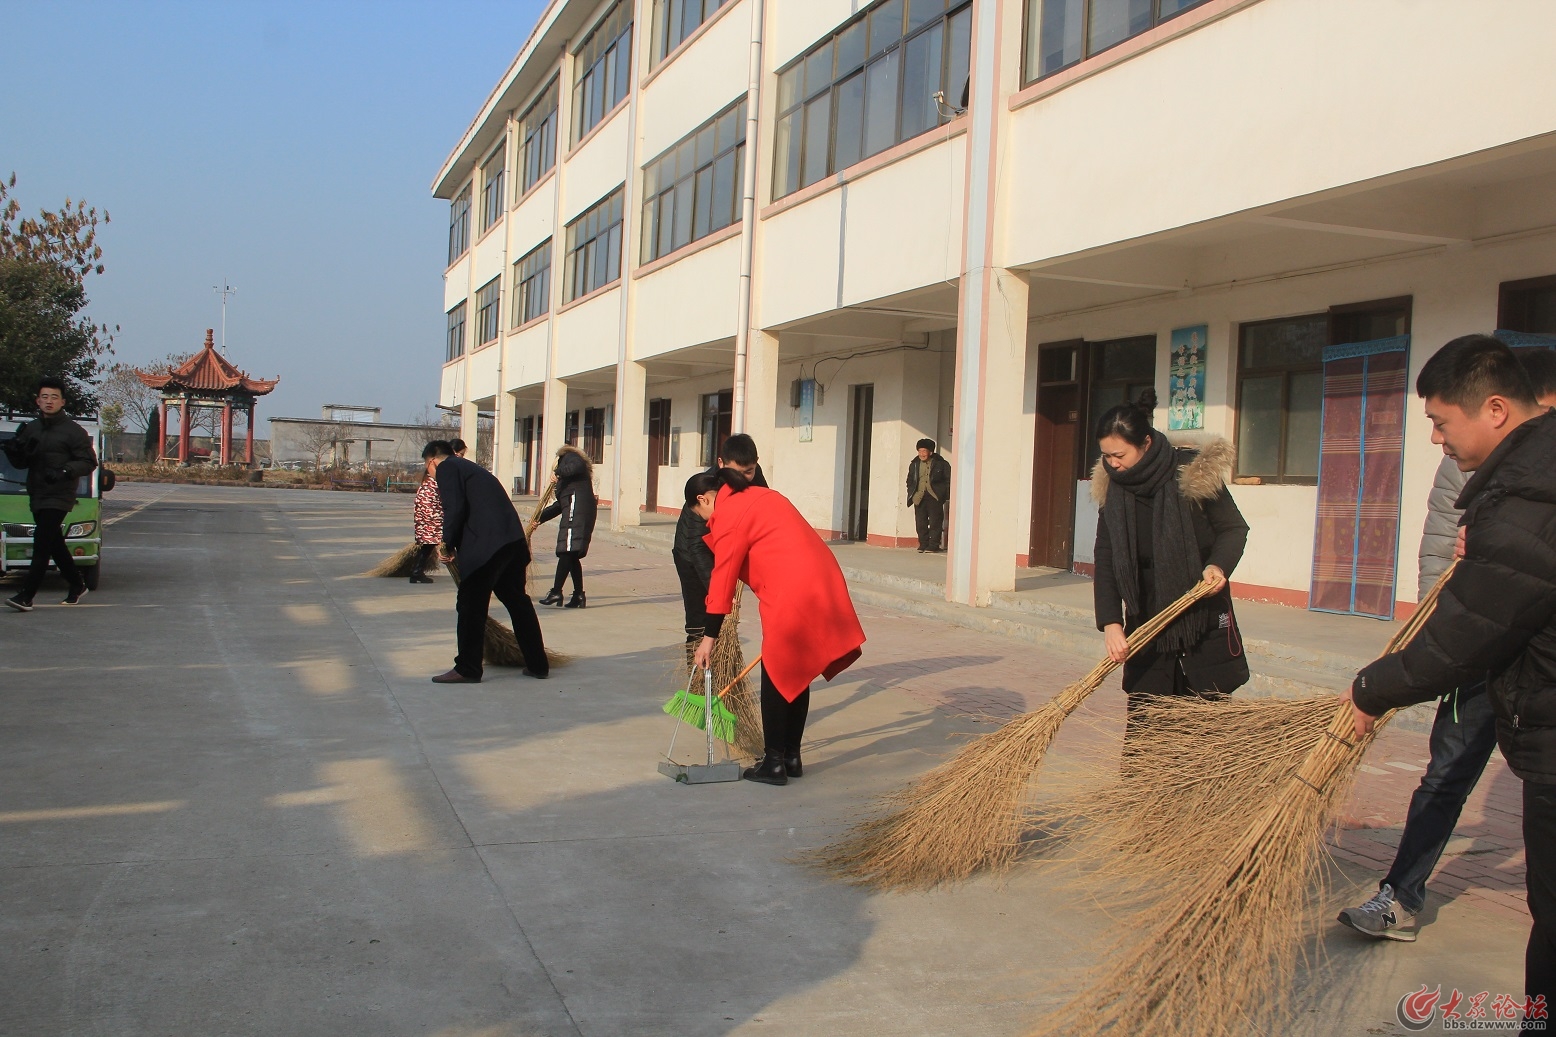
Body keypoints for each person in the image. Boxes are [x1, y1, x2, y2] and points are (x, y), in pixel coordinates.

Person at [1348, 336, 1556, 1028]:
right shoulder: (1528, 475)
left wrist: (1371, 690)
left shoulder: (1528, 491)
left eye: (1441, 421)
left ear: (1494, 409)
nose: (1436, 438)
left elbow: (1469, 633)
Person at [691, 467, 865, 785]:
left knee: (776, 668)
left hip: (792, 588)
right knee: (796, 668)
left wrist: (709, 638)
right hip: (821, 577)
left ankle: (773, 763)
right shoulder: (761, 495)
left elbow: (722, 580)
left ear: (704, 499)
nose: (707, 522)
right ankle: (791, 757)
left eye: (702, 514)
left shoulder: (730, 512)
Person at [1090, 388, 1249, 735]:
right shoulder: (1113, 489)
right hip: (1146, 623)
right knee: (1147, 735)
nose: (1112, 464)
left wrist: (1218, 566)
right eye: (1106, 456)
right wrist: (1111, 623)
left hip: (1199, 616)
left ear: (1145, 443)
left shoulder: (1191, 473)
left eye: (1119, 455)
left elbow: (1234, 529)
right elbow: (1105, 557)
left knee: (1201, 737)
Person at [423, 440, 548, 683]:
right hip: (512, 542)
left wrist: (446, 543)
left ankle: (467, 668)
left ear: (431, 462)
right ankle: (537, 664)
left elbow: (454, 508)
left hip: (487, 549)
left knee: (470, 605)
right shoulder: (473, 469)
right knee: (517, 603)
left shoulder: (448, 468)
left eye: (427, 469)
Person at [670, 434, 770, 664]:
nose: (742, 479)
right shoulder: (706, 488)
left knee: (724, 622)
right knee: (700, 623)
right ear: (721, 463)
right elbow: (697, 547)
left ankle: (724, 678)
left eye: (749, 472)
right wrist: (718, 590)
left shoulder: (754, 477)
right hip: (691, 554)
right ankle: (697, 684)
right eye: (736, 472)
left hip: (728, 549)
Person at [3, 377, 98, 612]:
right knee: (54, 542)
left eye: (54, 397)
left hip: (60, 494)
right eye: (44, 397)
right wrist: (13, 451)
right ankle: (77, 584)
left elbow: (88, 462)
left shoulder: (74, 431)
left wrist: (65, 471)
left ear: (63, 401)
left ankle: (26, 595)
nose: (49, 401)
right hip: (37, 492)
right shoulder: (32, 428)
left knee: (42, 542)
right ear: (37, 400)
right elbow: (22, 463)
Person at [536, 444, 597, 609]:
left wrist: (558, 473)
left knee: (567, 551)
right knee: (571, 554)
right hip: (576, 511)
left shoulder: (570, 457)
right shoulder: (571, 484)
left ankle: (556, 591)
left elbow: (576, 465)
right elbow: (559, 506)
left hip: (577, 512)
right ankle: (578, 595)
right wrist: (538, 519)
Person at [905, 438, 951, 553]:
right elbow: (910, 480)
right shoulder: (914, 464)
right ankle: (923, 543)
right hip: (918, 496)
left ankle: (933, 545)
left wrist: (944, 493)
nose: (921, 454)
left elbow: (948, 480)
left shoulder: (942, 464)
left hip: (934, 496)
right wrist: (911, 491)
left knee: (935, 521)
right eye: (919, 451)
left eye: (924, 451)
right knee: (920, 522)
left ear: (931, 452)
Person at [409, 447, 444, 585]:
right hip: (430, 520)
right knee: (428, 546)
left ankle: (416, 572)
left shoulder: (430, 482)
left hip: (429, 521)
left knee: (427, 547)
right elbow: (429, 505)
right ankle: (416, 572)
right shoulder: (430, 484)